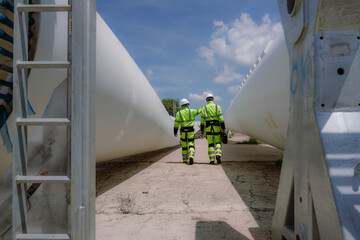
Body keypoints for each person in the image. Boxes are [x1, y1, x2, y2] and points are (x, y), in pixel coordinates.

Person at [199, 93, 225, 164]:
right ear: (213, 99)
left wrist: (202, 130)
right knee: (218, 142)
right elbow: (221, 119)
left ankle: (212, 160)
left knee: (210, 144)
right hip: (216, 127)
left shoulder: (204, 108)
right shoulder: (217, 107)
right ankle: (218, 155)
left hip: (208, 128)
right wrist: (223, 128)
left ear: (206, 100)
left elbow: (202, 121)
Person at [174, 98, 200, 165]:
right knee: (191, 144)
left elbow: (176, 124)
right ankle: (191, 156)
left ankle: (185, 160)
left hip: (183, 131)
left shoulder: (178, 113)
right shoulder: (192, 111)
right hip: (190, 130)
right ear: (187, 105)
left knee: (184, 145)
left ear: (181, 105)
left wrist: (175, 132)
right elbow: (200, 110)